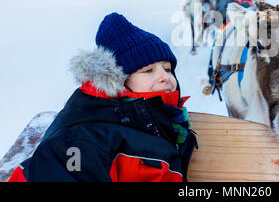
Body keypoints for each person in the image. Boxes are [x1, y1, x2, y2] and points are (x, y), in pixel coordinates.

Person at [8, 13, 197, 182]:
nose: (164, 76)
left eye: (167, 69)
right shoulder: (84, 139)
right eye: (148, 70)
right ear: (118, 82)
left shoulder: (157, 120)